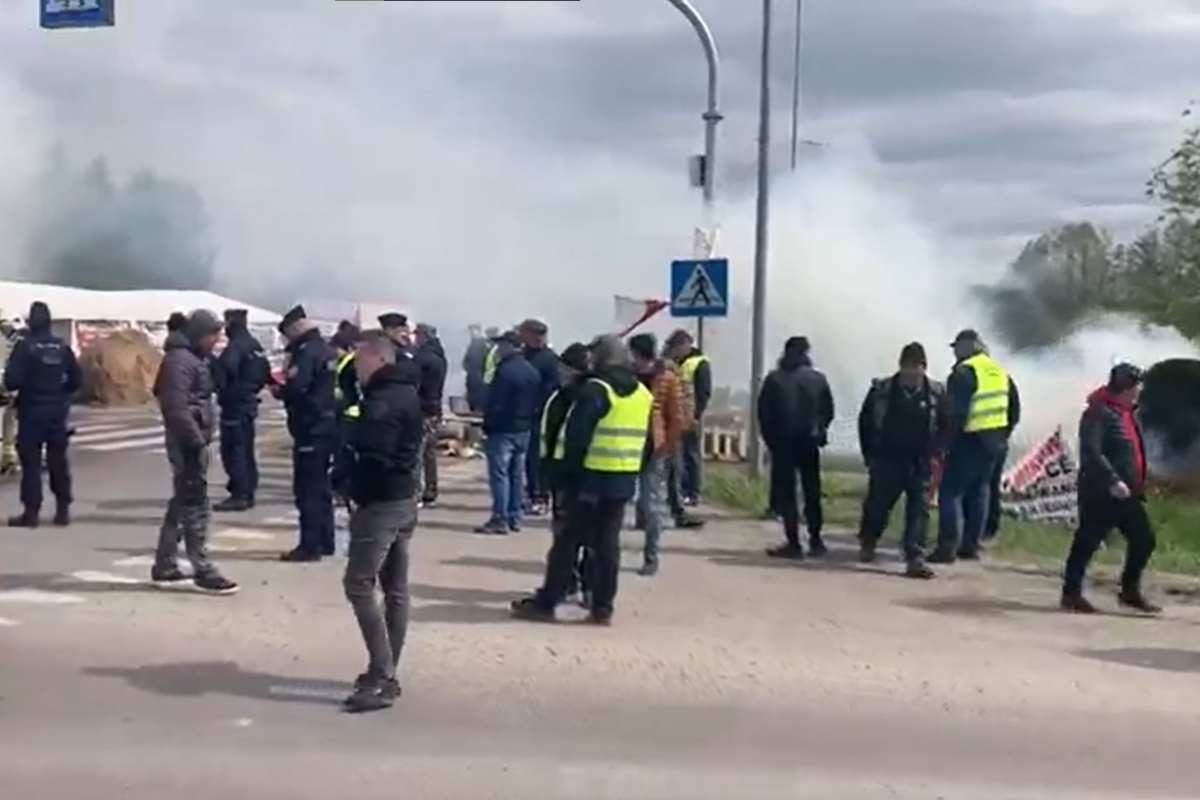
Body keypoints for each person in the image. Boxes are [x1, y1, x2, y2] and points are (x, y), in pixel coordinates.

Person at [511, 335, 652, 624]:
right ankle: (602, 607)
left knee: (567, 542)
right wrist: (634, 471)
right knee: (607, 544)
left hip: (587, 480)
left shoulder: (595, 390)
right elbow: (649, 442)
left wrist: (564, 479)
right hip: (622, 480)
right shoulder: (642, 394)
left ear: (599, 358)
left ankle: (547, 603)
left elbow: (575, 439)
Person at [341, 331, 424, 712]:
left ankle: (382, 673)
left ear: (376, 359)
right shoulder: (405, 391)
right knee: (395, 587)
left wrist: (346, 479)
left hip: (381, 503)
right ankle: (386, 669)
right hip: (404, 498)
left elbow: (375, 455)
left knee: (360, 584)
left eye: (359, 361)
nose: (355, 369)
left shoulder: (383, 401)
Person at [150, 310, 238, 595]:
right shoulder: (179, 361)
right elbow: (174, 406)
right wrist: (194, 441)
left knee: (183, 500)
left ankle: (164, 564)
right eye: (214, 335)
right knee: (196, 505)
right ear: (200, 333)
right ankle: (202, 568)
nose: (216, 341)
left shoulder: (192, 359)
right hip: (187, 442)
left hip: (192, 438)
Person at [1062, 364, 1161, 615]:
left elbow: (1132, 450)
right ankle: (1071, 594)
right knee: (1087, 542)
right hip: (1102, 491)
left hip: (1128, 492)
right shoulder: (1098, 413)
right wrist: (1112, 480)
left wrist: (1141, 479)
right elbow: (1092, 453)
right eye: (1136, 387)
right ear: (1125, 387)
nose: (1139, 391)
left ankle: (1129, 591)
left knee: (1144, 540)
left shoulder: (1126, 413)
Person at [856, 343, 948, 579]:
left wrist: (938, 453)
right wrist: (870, 456)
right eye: (907, 369)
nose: (911, 375)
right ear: (900, 367)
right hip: (888, 459)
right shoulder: (882, 391)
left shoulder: (936, 393)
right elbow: (865, 424)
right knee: (877, 506)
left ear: (924, 368)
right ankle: (869, 541)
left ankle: (915, 556)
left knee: (919, 510)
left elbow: (946, 426)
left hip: (921, 462)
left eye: (916, 370)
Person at [930, 330, 1021, 563]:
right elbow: (1014, 411)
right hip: (994, 444)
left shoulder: (963, 373)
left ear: (967, 347)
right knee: (980, 492)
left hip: (968, 441)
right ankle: (970, 547)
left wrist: (943, 445)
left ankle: (947, 548)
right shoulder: (1000, 372)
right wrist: (1002, 436)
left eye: (956, 348)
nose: (954, 353)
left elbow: (955, 414)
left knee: (950, 493)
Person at [4, 301, 80, 528]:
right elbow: (77, 379)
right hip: (57, 412)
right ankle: (62, 509)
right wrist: (61, 394)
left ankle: (31, 513)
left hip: (32, 411)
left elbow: (11, 381)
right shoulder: (61, 347)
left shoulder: (25, 347)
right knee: (58, 461)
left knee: (32, 464)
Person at [757, 336, 835, 560]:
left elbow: (764, 414)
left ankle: (793, 543)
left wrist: (771, 441)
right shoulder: (818, 379)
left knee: (787, 495)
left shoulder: (774, 379)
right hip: (809, 443)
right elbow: (828, 411)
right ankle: (816, 540)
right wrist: (819, 430)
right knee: (812, 492)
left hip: (783, 445)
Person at [274, 305, 338, 563]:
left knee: (308, 489)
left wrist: (279, 390)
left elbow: (298, 387)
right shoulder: (326, 349)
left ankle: (309, 545)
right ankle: (326, 540)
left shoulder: (306, 352)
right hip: (328, 425)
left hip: (310, 427)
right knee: (322, 488)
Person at [629, 334, 693, 577]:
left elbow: (676, 416)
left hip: (652, 448)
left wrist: (667, 445)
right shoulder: (625, 377)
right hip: (625, 446)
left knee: (651, 502)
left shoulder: (666, 378)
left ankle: (651, 556)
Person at [536, 342, 592, 602]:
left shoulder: (567, 397)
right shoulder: (587, 394)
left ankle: (567, 584)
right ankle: (584, 584)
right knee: (588, 535)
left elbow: (553, 438)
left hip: (566, 475)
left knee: (566, 535)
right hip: (584, 474)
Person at [475, 331, 540, 534]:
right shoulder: (531, 370)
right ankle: (515, 516)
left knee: (500, 474)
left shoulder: (505, 371)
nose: (498, 349)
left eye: (502, 345)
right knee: (517, 474)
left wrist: (487, 426)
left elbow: (496, 403)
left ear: (511, 346)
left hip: (503, 429)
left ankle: (500, 518)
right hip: (524, 428)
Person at [213, 308, 270, 512]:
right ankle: (248, 490)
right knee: (246, 450)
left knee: (233, 450)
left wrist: (220, 384)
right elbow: (266, 372)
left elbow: (225, 369)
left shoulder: (236, 346)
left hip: (234, 404)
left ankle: (239, 493)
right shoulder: (254, 345)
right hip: (248, 403)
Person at [664, 329, 710, 509]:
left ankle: (693, 492)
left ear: (686, 345)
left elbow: (704, 392)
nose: (674, 350)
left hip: (691, 417)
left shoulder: (700, 363)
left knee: (691, 455)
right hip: (676, 416)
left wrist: (696, 415)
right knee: (677, 456)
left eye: (676, 346)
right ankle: (680, 491)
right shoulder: (676, 362)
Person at [520, 319, 560, 517]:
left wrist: (539, 404)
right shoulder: (524, 355)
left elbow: (553, 387)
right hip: (526, 413)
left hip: (541, 415)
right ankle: (531, 494)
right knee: (528, 459)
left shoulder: (548, 359)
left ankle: (540, 496)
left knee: (538, 458)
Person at [414, 323, 448, 508]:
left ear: (423, 336)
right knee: (430, 454)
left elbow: (415, 383)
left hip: (422, 408)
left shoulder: (423, 358)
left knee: (418, 452)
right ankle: (431, 490)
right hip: (435, 408)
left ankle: (418, 492)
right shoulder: (440, 356)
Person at [330, 322, 363, 507]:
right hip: (344, 411)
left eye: (337, 349)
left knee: (345, 456)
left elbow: (352, 391)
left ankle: (343, 490)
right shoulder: (345, 362)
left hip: (352, 413)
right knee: (341, 454)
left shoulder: (353, 364)